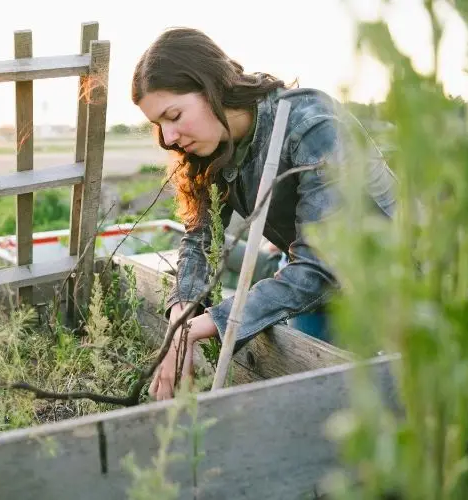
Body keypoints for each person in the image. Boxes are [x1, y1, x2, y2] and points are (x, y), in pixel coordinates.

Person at [131, 27, 397, 401]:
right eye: (159, 124)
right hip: (320, 289)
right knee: (308, 406)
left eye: (174, 115)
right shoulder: (212, 150)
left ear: (211, 86)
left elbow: (321, 263)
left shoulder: (310, 125)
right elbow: (199, 241)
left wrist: (209, 324)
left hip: (399, 284)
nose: (169, 137)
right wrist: (180, 321)